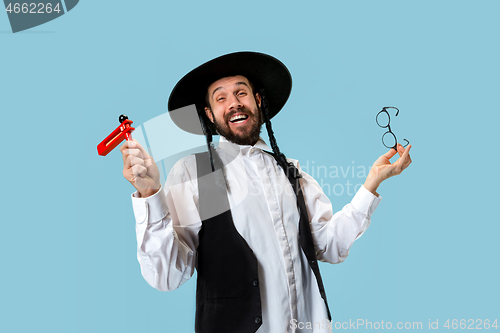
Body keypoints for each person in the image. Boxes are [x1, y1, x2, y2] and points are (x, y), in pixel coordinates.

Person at [119, 52, 412, 333]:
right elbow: (166, 276)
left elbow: (327, 245)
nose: (233, 103)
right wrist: (150, 195)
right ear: (209, 114)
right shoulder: (199, 174)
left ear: (258, 100)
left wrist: (371, 184)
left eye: (241, 93)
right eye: (221, 98)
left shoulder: (291, 171)